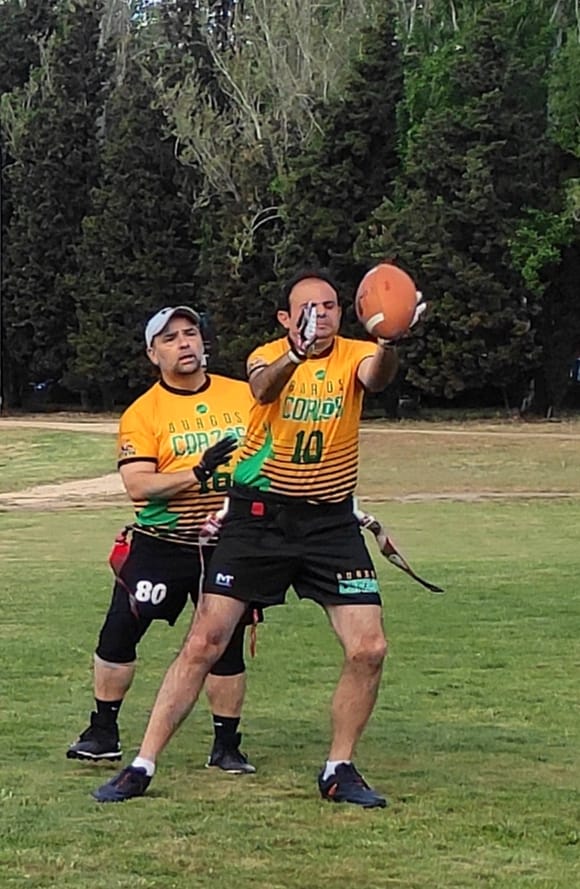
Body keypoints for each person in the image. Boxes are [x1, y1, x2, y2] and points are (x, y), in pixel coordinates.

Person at [93, 269, 425, 807]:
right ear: (286, 318)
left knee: (370, 648)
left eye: (330, 306)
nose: (319, 315)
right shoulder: (265, 354)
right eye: (307, 308)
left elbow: (378, 377)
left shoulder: (355, 354)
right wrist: (294, 354)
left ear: (345, 312)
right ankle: (141, 764)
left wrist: (389, 339)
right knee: (204, 641)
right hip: (261, 518)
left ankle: (339, 769)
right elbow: (263, 385)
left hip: (330, 523)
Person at [67, 305, 257, 774]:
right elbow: (139, 485)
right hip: (162, 539)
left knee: (224, 643)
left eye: (190, 334)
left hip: (227, 541)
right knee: (119, 632)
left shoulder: (244, 396)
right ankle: (103, 731)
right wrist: (198, 472)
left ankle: (226, 745)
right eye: (170, 338)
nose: (184, 343)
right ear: (153, 354)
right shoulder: (143, 412)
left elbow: (271, 455)